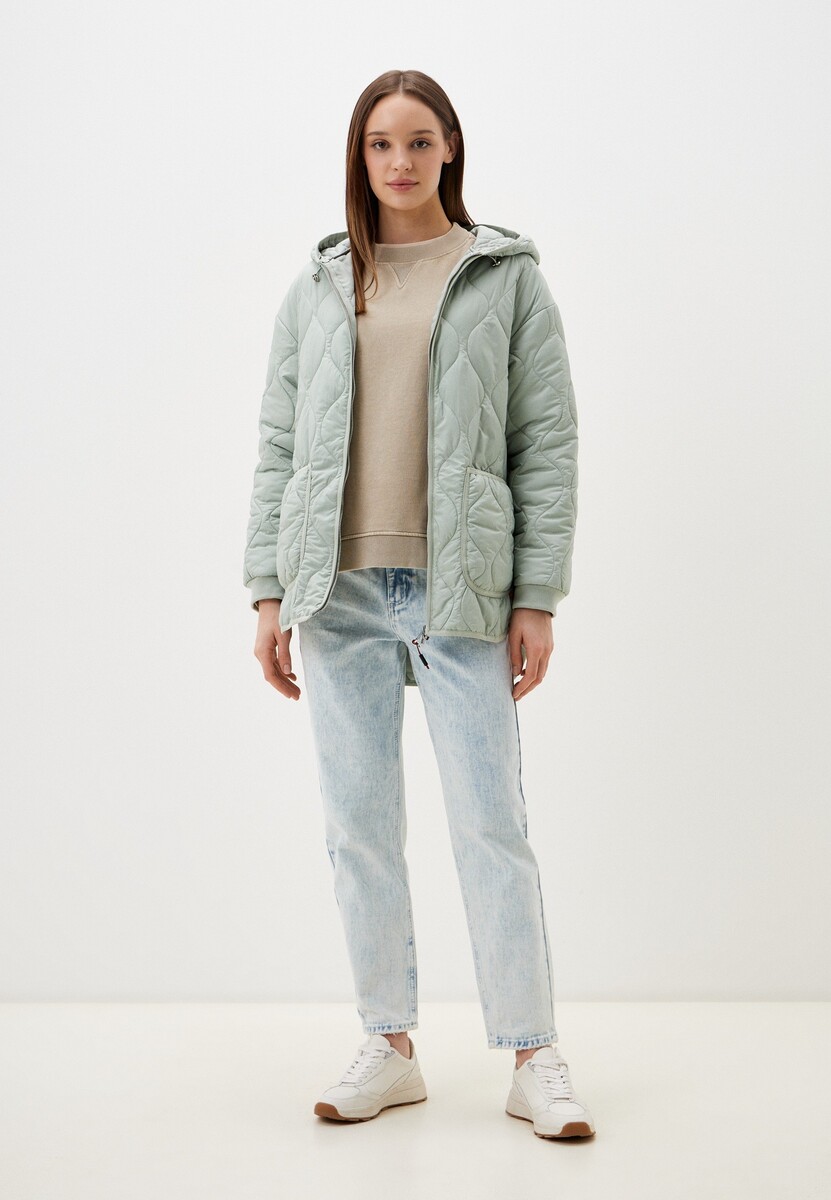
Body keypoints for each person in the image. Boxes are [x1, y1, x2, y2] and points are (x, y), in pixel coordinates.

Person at [243, 69, 595, 1140]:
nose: (399, 161)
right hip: (335, 591)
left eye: (419, 141)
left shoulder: (505, 278)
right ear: (360, 157)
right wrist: (267, 590)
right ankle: (388, 1046)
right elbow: (280, 443)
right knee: (359, 828)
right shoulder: (319, 284)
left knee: (491, 825)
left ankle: (533, 1055)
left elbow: (546, 442)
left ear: (450, 150)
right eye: (380, 143)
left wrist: (536, 594)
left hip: (463, 589)